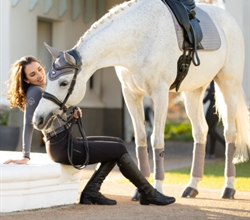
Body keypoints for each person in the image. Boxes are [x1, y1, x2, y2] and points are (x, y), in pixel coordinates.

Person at [3, 56, 175, 206]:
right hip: (61, 147)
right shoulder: (35, 92)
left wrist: (72, 117)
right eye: (33, 74)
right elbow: (29, 123)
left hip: (67, 142)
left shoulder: (46, 90)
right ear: (26, 80)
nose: (39, 75)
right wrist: (25, 155)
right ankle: (148, 193)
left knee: (117, 145)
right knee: (117, 149)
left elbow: (57, 123)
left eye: (39, 69)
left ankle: (93, 191)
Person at [203, 81, 225, 159]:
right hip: (215, 107)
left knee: (210, 130)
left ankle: (225, 144)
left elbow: (211, 93)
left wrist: (202, 101)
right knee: (211, 130)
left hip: (213, 108)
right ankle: (211, 153)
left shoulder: (214, 80)